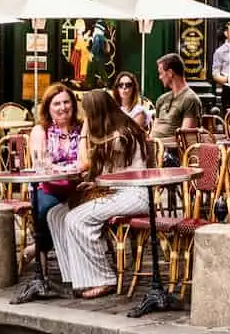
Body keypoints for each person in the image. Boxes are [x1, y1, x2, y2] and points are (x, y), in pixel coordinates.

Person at [46, 89, 150, 299]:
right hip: (113, 191)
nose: (85, 117)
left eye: (87, 113)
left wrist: (84, 130)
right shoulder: (110, 132)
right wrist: (93, 183)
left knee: (77, 218)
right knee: (55, 214)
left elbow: (83, 161)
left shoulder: (121, 135)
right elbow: (109, 170)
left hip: (133, 194)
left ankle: (103, 278)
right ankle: (75, 277)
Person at [25, 83, 83, 260]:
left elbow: (88, 160)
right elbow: (41, 165)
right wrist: (70, 167)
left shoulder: (82, 128)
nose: (63, 108)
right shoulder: (41, 131)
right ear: (48, 108)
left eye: (66, 102)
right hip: (49, 186)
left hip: (78, 185)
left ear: (73, 104)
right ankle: (45, 247)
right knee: (45, 209)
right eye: (56, 104)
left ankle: (40, 246)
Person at [150, 53, 201, 162]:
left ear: (170, 73)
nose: (159, 77)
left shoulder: (190, 99)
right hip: (154, 150)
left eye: (161, 73)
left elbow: (185, 139)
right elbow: (155, 129)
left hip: (172, 155)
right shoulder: (161, 99)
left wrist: (158, 143)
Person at [211, 22, 230, 109]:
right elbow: (215, 74)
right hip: (228, 89)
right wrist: (228, 80)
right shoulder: (220, 52)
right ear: (226, 33)